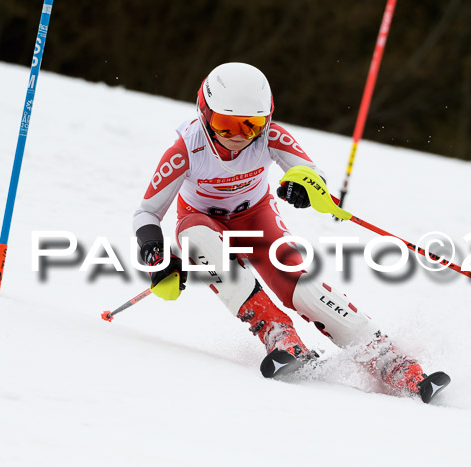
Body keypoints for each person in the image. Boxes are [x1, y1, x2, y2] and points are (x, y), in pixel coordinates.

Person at [133, 62, 449, 401]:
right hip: (200, 222)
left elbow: (308, 171)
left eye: (250, 125)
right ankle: (280, 336)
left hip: (256, 218)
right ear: (204, 113)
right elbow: (147, 213)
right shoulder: (186, 149)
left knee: (300, 286)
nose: (239, 137)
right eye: (226, 125)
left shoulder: (270, 136)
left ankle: (394, 364)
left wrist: (301, 185)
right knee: (196, 236)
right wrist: (155, 253)